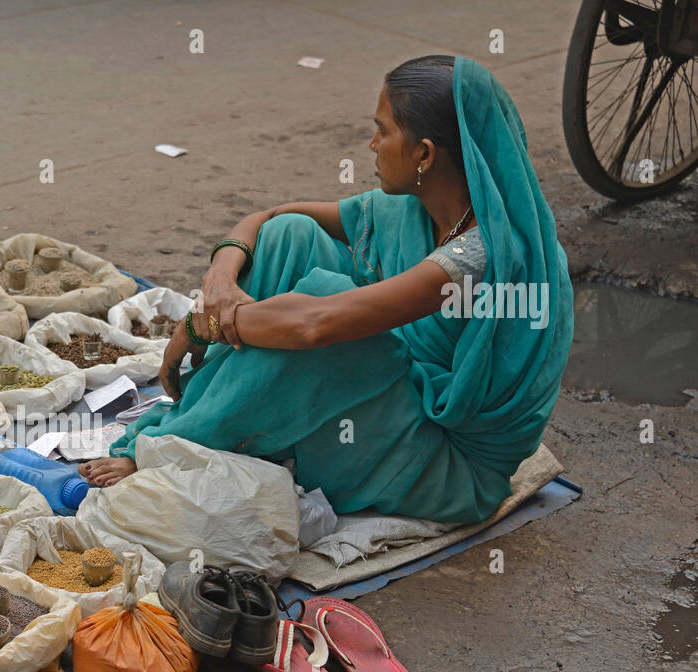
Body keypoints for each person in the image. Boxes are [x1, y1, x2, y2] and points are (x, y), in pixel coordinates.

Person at [78, 55, 573, 524]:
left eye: (382, 131)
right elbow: (269, 218)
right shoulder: (418, 210)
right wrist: (219, 284)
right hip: (401, 393)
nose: (371, 144)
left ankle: (174, 446)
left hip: (442, 455)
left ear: (423, 154)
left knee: (323, 333)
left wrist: (199, 325)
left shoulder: (479, 257)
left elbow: (314, 327)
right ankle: (224, 414)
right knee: (288, 238)